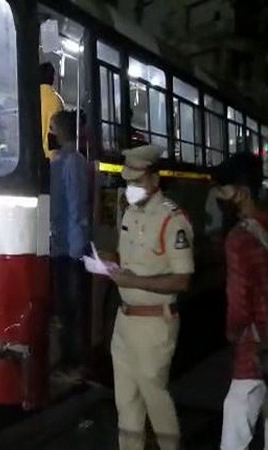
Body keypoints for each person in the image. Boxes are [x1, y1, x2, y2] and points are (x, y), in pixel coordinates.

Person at [108, 145, 194, 450]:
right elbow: (128, 259)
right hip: (124, 321)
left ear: (155, 179)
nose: (130, 188)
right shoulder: (130, 211)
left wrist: (135, 280)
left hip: (154, 324)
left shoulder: (172, 220)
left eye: (137, 181)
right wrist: (110, 265)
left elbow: (182, 279)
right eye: (127, 182)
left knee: (155, 401)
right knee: (126, 404)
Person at [213, 153, 268, 450]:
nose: (219, 198)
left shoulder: (238, 239)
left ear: (242, 193)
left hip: (255, 351)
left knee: (234, 434)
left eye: (223, 190)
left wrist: (234, 333)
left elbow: (238, 305)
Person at [48, 110, 90, 380]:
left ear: (62, 131)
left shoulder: (73, 162)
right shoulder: (60, 160)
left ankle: (74, 363)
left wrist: (76, 251)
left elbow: (77, 208)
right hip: (60, 246)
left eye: (52, 127)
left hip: (71, 250)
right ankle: (66, 360)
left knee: (71, 308)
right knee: (63, 307)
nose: (49, 132)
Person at [40, 62, 65, 159]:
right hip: (53, 156)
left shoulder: (32, 97)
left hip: (35, 155)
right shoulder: (57, 100)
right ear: (52, 78)